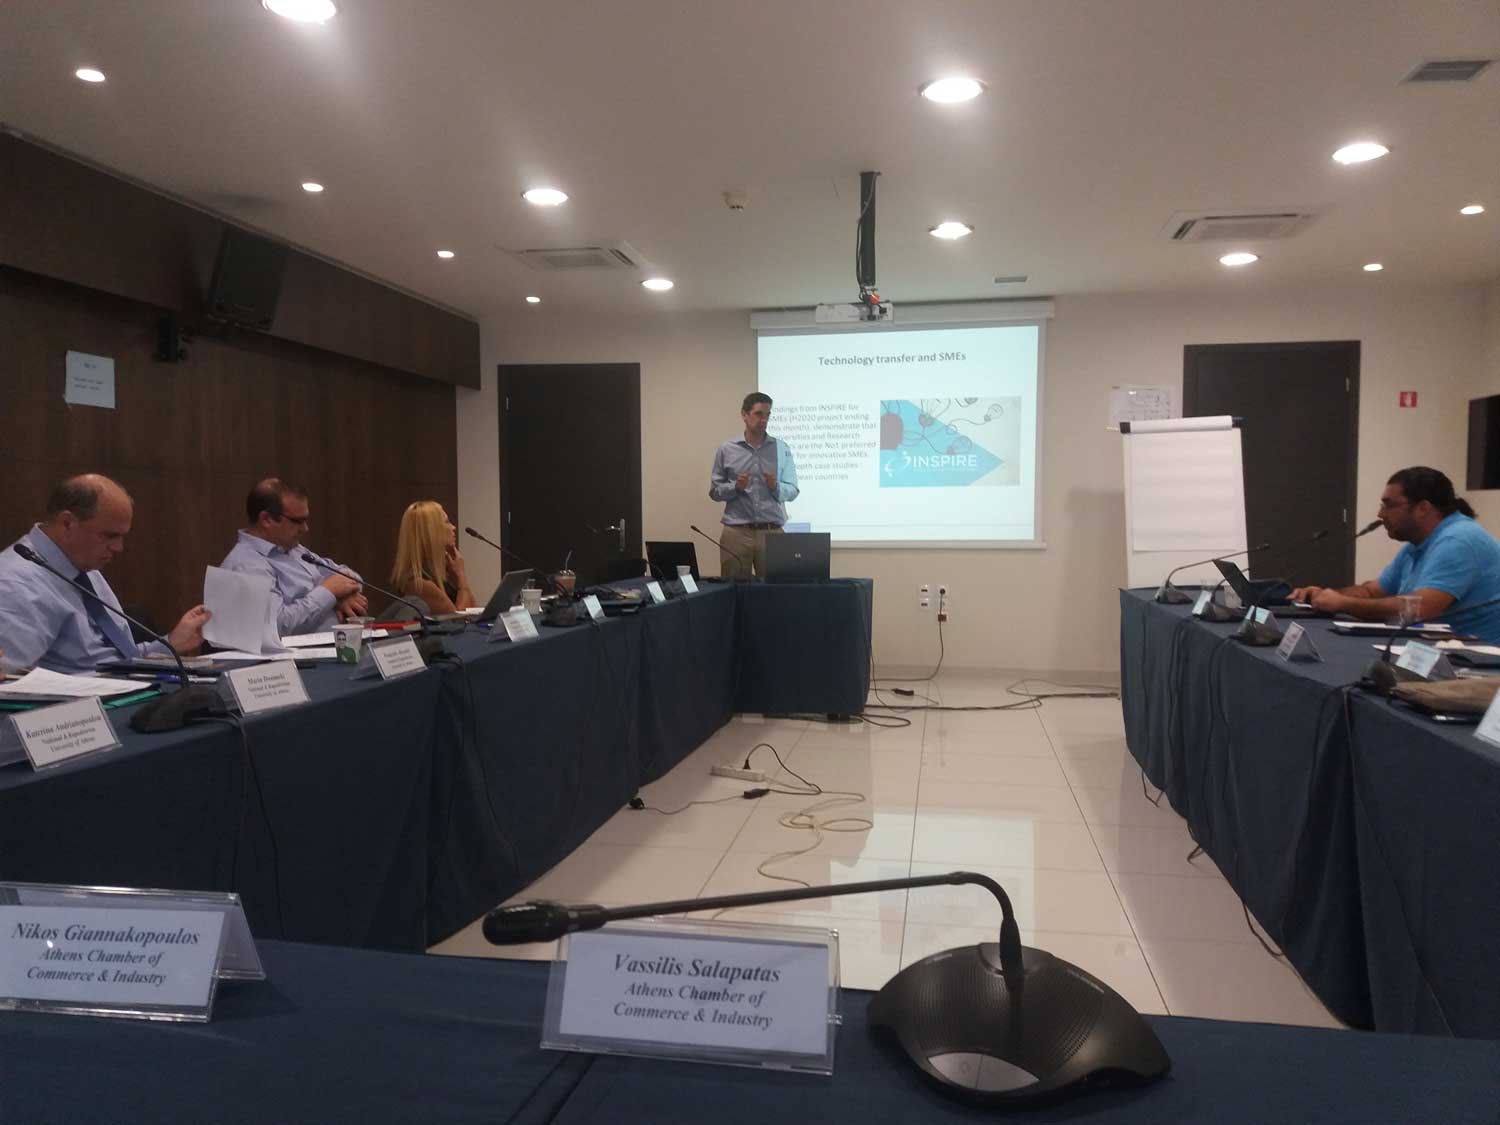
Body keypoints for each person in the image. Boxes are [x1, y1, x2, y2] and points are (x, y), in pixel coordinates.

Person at [0, 474, 211, 674]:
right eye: (110, 536)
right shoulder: (15, 584)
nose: (118, 547)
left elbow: (116, 660)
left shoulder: (81, 563)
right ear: (67, 523)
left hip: (122, 689)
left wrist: (171, 643)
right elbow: (9, 684)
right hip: (86, 698)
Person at [1291, 466, 1500, 643]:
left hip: (1481, 662)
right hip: (1437, 651)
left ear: (1423, 508)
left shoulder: (1458, 540)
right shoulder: (1418, 544)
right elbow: (1372, 592)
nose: (1380, 514)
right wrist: (1324, 596)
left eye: (1389, 505)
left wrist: (1344, 604)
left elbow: (1420, 609)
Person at [219, 478, 367, 636]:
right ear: (267, 519)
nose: (305, 528)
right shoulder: (246, 566)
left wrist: (340, 597)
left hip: (336, 645)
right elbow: (277, 627)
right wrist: (328, 593)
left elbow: (352, 578)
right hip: (297, 652)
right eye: (298, 521)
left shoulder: (293, 549)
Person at [708, 392, 800, 578]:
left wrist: (775, 487)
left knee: (775, 589)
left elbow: (793, 489)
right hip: (737, 532)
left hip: (772, 533)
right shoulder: (727, 449)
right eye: (758, 414)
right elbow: (715, 492)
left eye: (767, 415)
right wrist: (735, 487)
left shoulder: (781, 448)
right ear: (744, 414)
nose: (764, 420)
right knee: (733, 589)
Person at [391, 501, 476, 615]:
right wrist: (461, 577)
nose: (453, 527)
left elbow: (474, 611)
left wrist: (458, 579)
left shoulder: (443, 574)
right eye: (447, 522)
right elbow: (458, 620)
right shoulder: (420, 584)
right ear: (430, 531)